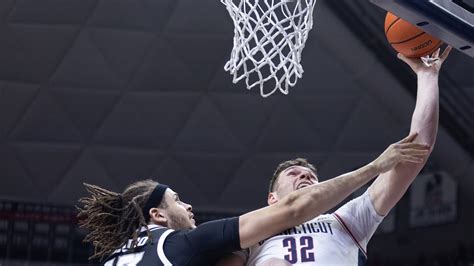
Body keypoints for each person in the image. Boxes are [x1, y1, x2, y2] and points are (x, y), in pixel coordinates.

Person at [221, 47, 452, 266]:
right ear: (272, 198)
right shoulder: (252, 234)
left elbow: (417, 149)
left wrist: (427, 76)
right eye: (294, 174)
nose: (305, 177)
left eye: (311, 176)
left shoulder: (347, 221)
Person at [77, 135, 429, 265]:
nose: (188, 208)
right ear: (157, 215)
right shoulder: (180, 245)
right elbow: (296, 208)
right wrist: (375, 166)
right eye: (177, 200)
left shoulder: (114, 257)